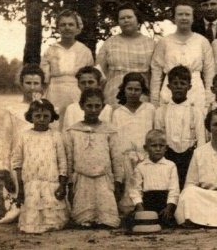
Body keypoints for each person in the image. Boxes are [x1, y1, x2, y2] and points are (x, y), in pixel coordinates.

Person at [64, 88, 122, 228]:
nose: (93, 110)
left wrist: (118, 180)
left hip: (104, 177)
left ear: (103, 106)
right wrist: (70, 182)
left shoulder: (110, 131)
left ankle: (104, 219)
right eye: (89, 106)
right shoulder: (73, 131)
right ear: (81, 106)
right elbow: (70, 159)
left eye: (97, 106)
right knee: (82, 220)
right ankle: (86, 220)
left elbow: (116, 158)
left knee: (108, 220)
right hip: (82, 178)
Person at [0, 64, 47, 224]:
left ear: (42, 85)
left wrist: (39, 105)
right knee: (19, 209)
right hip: (19, 163)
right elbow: (6, 143)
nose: (32, 87)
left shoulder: (47, 108)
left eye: (36, 83)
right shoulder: (12, 110)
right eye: (28, 83)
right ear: (21, 84)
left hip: (42, 162)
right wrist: (6, 170)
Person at [11, 99, 68, 233]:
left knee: (52, 216)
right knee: (32, 216)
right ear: (30, 117)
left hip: (51, 181)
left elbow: (62, 161)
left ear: (51, 117)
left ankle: (51, 224)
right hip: (31, 182)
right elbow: (17, 162)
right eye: (37, 116)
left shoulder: (56, 136)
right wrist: (20, 184)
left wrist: (62, 184)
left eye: (46, 116)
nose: (41, 119)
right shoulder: (24, 136)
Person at [150, 0, 216, 107]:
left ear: (193, 18)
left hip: (195, 91)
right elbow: (156, 72)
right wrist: (155, 100)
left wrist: (209, 100)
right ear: (174, 18)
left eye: (187, 14)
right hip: (169, 91)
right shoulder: (164, 42)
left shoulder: (202, 41)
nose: (184, 18)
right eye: (180, 14)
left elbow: (209, 72)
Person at [153, 66, 207, 188]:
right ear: (168, 86)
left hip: (189, 159)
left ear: (189, 87)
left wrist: (198, 163)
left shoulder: (196, 111)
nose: (178, 87)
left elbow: (201, 140)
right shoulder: (161, 111)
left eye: (182, 83)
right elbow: (158, 138)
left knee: (188, 189)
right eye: (175, 83)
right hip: (167, 157)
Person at [110, 72, 156, 213]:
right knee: (129, 187)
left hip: (146, 155)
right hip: (126, 158)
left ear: (142, 91)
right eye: (130, 89)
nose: (133, 93)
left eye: (137, 89)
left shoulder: (149, 109)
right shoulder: (118, 113)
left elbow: (154, 131)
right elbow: (116, 139)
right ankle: (130, 211)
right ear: (124, 89)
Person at [41, 9, 95, 119]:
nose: (67, 27)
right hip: (55, 94)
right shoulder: (50, 51)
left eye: (71, 24)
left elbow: (91, 79)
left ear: (77, 27)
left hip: (77, 94)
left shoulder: (85, 51)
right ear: (58, 28)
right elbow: (44, 80)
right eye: (63, 25)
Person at [98, 2, 155, 105]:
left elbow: (156, 75)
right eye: (122, 18)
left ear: (137, 19)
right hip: (113, 97)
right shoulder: (109, 43)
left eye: (129, 17)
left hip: (142, 97)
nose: (126, 20)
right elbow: (99, 74)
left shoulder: (151, 44)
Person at [127, 130, 179, 227]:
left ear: (166, 148)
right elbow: (135, 189)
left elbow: (174, 189)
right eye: (154, 146)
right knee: (133, 220)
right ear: (146, 148)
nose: (158, 149)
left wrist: (169, 207)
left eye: (161, 146)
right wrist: (139, 206)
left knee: (169, 220)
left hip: (164, 202)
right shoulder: (141, 167)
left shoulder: (171, 166)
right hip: (147, 202)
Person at [61, 66, 113, 131]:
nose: (87, 86)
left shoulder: (107, 109)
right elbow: (67, 133)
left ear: (98, 84)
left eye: (90, 82)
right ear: (78, 85)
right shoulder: (71, 109)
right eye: (83, 82)